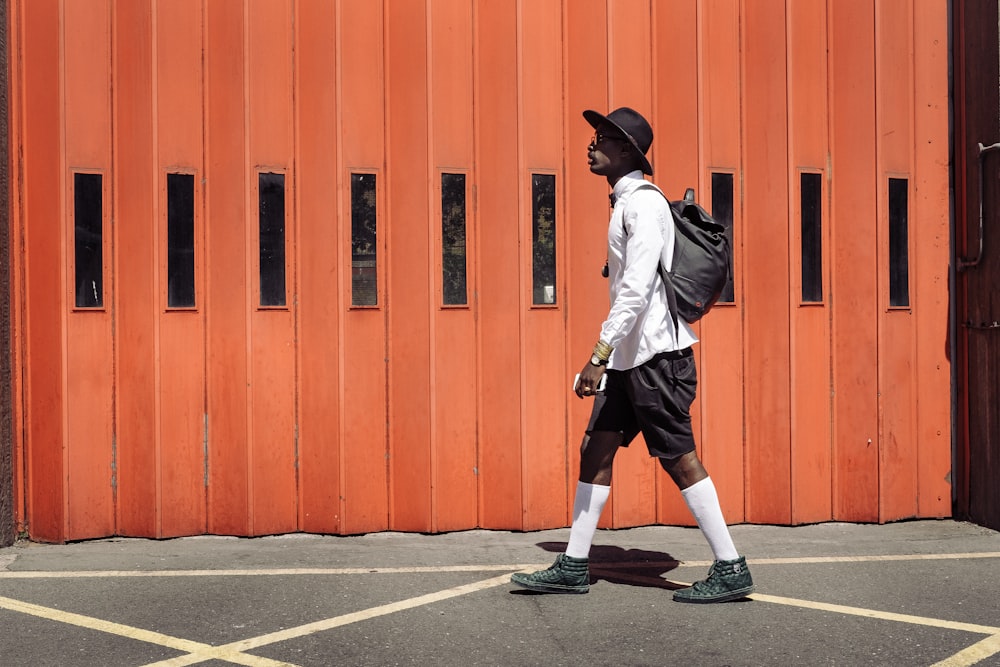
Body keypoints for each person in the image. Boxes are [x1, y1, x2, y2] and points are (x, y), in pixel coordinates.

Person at [510, 107, 753, 603]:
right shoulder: (626, 203)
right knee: (595, 449)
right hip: (630, 358)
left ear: (627, 152)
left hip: (656, 359)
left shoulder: (642, 206)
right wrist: (610, 356)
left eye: (602, 139)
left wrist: (598, 353)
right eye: (594, 137)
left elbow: (637, 289)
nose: (591, 145)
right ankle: (574, 564)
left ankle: (731, 566)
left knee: (680, 459)